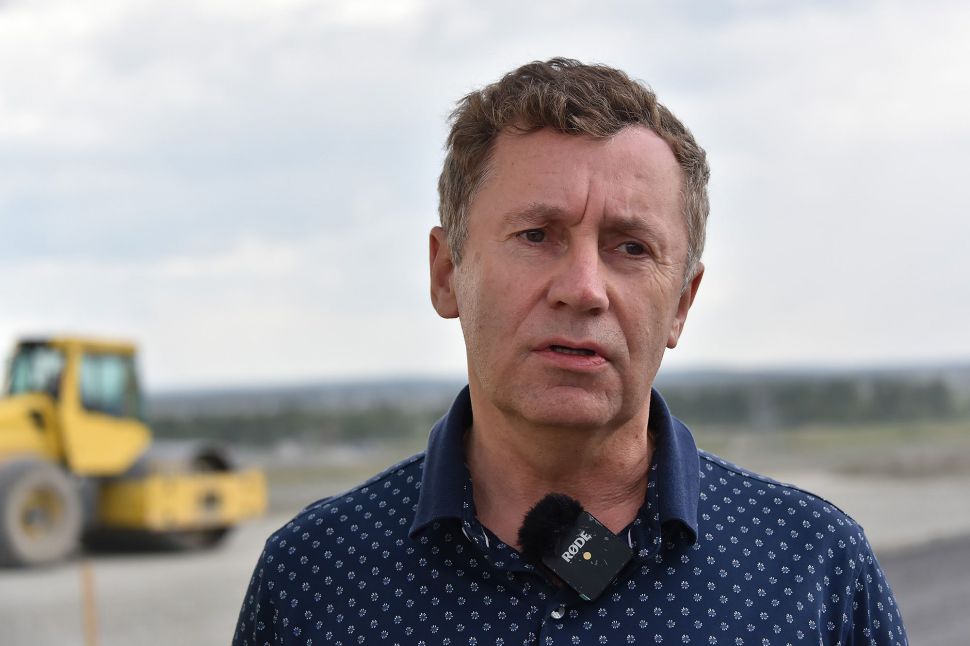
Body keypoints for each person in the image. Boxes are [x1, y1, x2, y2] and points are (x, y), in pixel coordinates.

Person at [233, 58, 908, 645]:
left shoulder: (813, 569)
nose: (584, 289)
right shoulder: (313, 578)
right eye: (536, 235)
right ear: (447, 273)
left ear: (681, 303)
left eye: (631, 247)